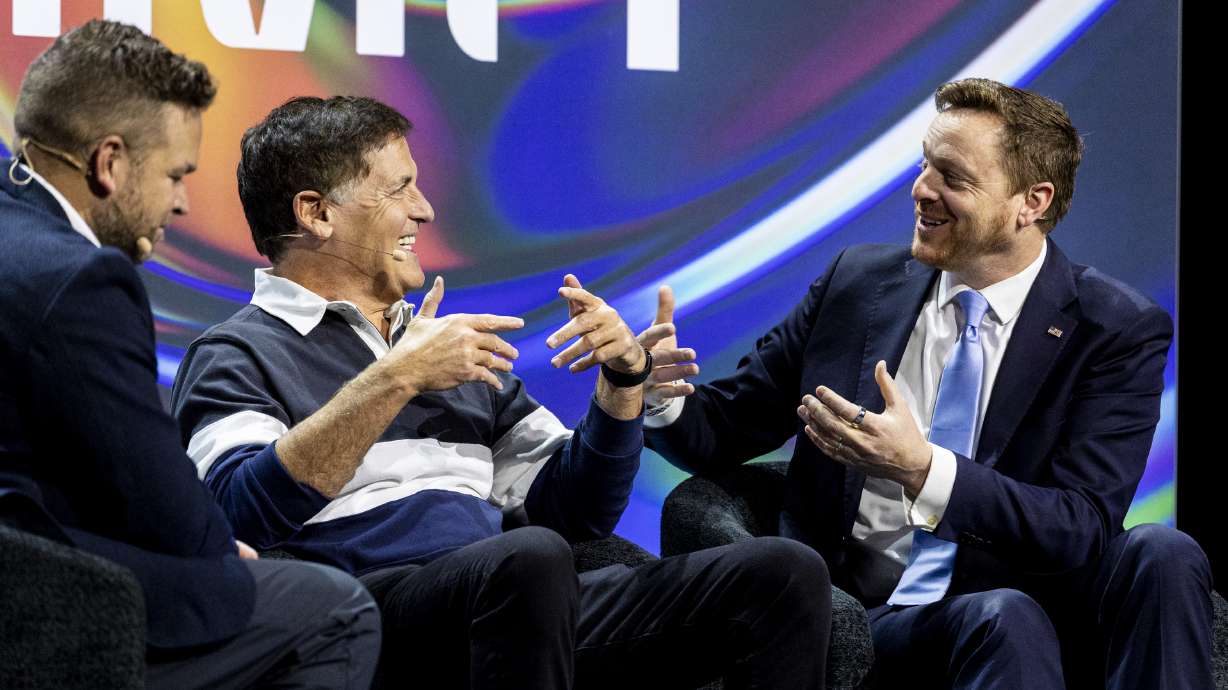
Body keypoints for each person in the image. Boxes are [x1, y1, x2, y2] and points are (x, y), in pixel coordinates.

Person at [169, 94, 830, 690]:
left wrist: (622, 387)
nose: (424, 210)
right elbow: (234, 514)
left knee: (782, 576)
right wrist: (395, 378)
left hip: (520, 597)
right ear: (315, 213)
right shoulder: (237, 353)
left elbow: (574, 515)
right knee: (528, 561)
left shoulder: (448, 348)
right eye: (399, 190)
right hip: (362, 616)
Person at [644, 78, 1213, 689]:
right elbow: (722, 429)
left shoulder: (1115, 328)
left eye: (953, 177)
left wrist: (924, 471)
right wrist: (647, 388)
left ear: (1032, 201)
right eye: (924, 165)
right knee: (1001, 618)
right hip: (882, 618)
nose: (921, 190)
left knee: (1165, 553)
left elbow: (1081, 525)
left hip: (1042, 605)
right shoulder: (856, 285)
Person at [0, 20, 380, 688]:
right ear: (110, 163)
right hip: (38, 598)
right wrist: (218, 553)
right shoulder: (80, 279)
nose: (180, 202)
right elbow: (157, 498)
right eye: (175, 175)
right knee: (333, 607)